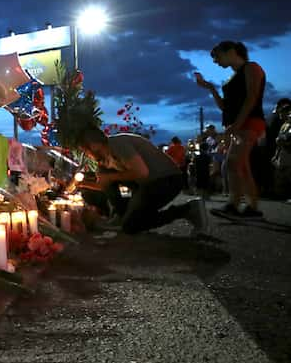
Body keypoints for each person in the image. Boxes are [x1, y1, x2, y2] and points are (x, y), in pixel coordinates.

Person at [77, 127, 207, 235]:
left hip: (166, 180)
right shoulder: (103, 161)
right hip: (145, 185)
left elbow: (142, 172)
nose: (86, 154)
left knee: (132, 226)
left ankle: (188, 209)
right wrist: (82, 184)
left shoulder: (117, 143)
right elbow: (104, 184)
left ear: (93, 145)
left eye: (85, 150)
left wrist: (110, 177)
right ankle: (122, 215)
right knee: (108, 176)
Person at [195, 41, 266, 217]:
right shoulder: (231, 78)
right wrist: (211, 88)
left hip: (249, 122)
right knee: (242, 166)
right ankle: (252, 207)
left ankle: (233, 205)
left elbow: (252, 97)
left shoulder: (251, 68)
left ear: (232, 51)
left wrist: (237, 124)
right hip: (239, 124)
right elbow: (225, 107)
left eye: (217, 56)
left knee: (232, 163)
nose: (215, 61)